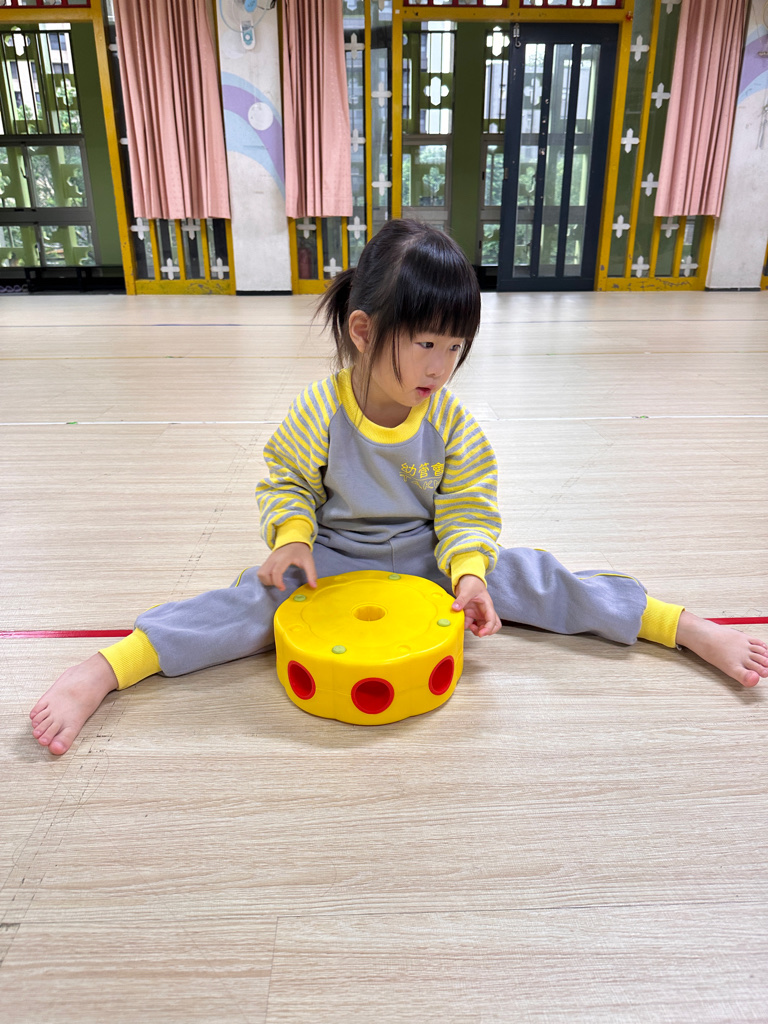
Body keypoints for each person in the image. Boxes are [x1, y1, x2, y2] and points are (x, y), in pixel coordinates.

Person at [30, 220, 767, 755]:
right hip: (332, 558)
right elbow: (286, 482)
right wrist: (292, 540)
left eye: (455, 347)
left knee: (535, 577)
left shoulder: (450, 423)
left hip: (428, 557)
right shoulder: (319, 411)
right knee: (245, 605)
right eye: (425, 343)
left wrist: (470, 574)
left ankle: (673, 624)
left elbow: (468, 509)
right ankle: (106, 669)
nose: (440, 366)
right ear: (362, 332)